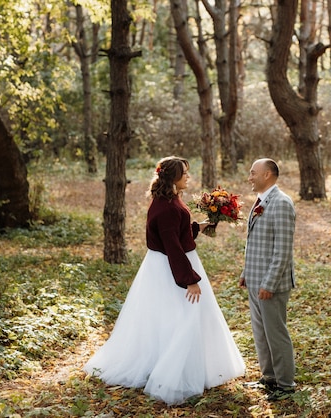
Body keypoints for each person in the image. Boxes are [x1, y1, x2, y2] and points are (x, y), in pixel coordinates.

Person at [84, 156, 245, 406]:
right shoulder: (167, 207)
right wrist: (189, 280)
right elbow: (173, 247)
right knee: (181, 317)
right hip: (170, 269)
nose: (188, 177)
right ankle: (172, 372)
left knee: (175, 317)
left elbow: (176, 235)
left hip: (168, 263)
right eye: (185, 173)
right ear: (173, 177)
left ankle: (185, 365)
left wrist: (198, 227)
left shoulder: (168, 201)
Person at [239, 158, 296, 401]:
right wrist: (246, 272)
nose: (250, 177)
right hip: (255, 279)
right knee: (261, 333)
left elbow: (283, 250)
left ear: (268, 175)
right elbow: (255, 242)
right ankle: (269, 378)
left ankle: (285, 385)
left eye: (253, 173)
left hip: (270, 285)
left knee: (276, 333)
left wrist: (269, 283)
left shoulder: (281, 203)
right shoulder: (260, 201)